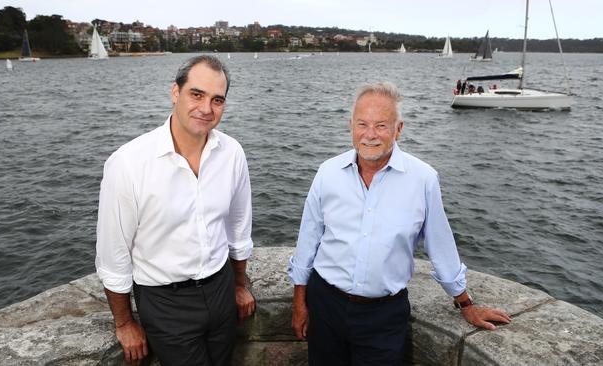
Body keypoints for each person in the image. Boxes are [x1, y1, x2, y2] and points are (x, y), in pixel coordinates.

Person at [288, 82, 511, 366]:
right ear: (350, 126)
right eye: (362, 124)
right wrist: (299, 303)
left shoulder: (423, 179)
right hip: (325, 305)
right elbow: (308, 241)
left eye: (381, 125)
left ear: (399, 129)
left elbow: (440, 245)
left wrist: (465, 303)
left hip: (383, 316)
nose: (370, 135)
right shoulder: (327, 173)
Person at [95, 55, 256, 366]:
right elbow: (113, 254)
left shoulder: (232, 153)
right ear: (175, 92)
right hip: (165, 302)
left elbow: (238, 229)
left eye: (217, 100)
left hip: (221, 289)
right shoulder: (128, 164)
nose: (206, 108)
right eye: (197, 94)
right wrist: (125, 323)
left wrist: (239, 285)